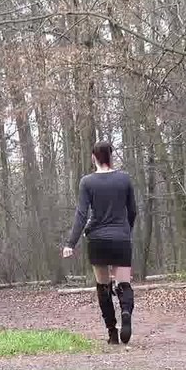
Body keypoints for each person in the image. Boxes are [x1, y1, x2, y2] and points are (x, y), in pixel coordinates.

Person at [63, 141, 137, 344]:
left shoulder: (87, 182)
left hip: (97, 240)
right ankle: (126, 313)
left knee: (103, 286)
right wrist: (126, 231)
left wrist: (71, 243)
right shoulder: (124, 179)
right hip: (121, 239)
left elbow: (81, 214)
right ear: (111, 156)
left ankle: (112, 333)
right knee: (124, 284)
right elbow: (132, 211)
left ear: (93, 157)